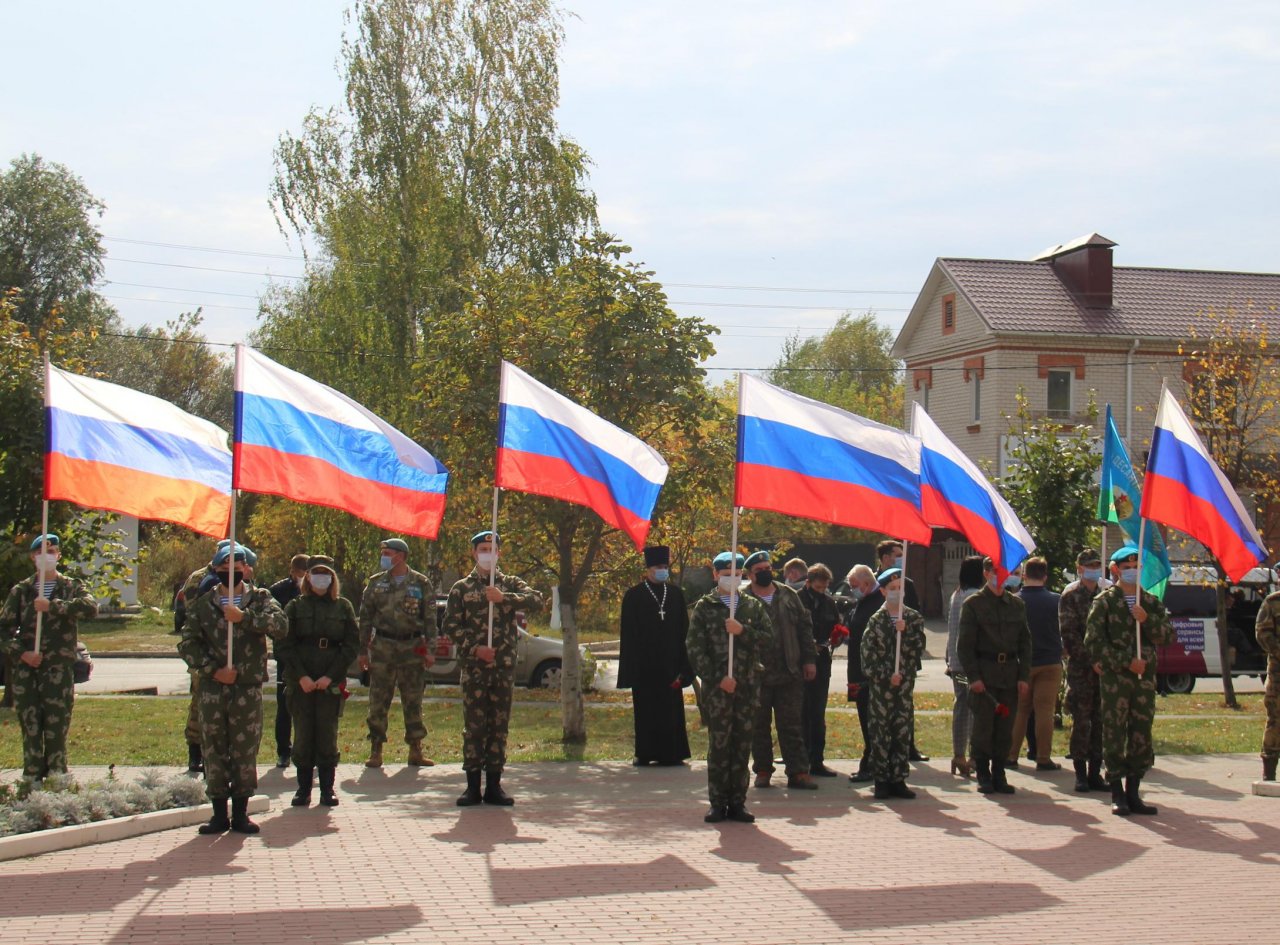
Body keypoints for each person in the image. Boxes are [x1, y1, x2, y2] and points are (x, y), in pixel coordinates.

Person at [178, 543, 285, 835]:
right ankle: (217, 814)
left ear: (246, 570)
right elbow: (187, 643)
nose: (230, 573)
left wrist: (245, 618)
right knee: (214, 747)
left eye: (236, 568)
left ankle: (240, 813)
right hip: (214, 688)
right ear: (215, 570)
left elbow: (281, 626)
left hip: (246, 688)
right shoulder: (204, 604)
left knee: (244, 749)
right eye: (224, 569)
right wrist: (213, 670)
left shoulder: (260, 599)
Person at [442, 530, 543, 807]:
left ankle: (494, 785)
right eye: (482, 549)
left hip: (503, 666)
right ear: (474, 553)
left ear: (499, 553)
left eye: (492, 548)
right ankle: (472, 786)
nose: (487, 553)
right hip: (475, 667)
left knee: (499, 726)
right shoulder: (462, 588)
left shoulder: (509, 584)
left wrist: (504, 598)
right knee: (474, 727)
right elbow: (450, 626)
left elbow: (537, 600)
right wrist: (475, 649)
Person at [0, 534, 97, 783]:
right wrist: (22, 653)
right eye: (42, 552)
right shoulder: (21, 591)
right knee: (31, 727)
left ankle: (57, 776)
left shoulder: (71, 587)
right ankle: (31, 777)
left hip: (58, 669)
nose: (47, 556)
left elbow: (90, 607)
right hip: (28, 670)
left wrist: (54, 606)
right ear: (33, 557)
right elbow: (3, 631)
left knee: (57, 727)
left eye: (52, 552)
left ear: (59, 556)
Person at [1084, 546, 1173, 816]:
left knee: (1140, 733)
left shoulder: (1150, 602)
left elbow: (1167, 636)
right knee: (1114, 732)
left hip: (1144, 681)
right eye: (1126, 567)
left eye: (1136, 566)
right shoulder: (1105, 602)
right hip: (1116, 680)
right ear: (1115, 570)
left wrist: (1146, 621)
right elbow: (1094, 643)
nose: (1132, 570)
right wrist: (1126, 661)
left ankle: (1134, 791)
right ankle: (1117, 792)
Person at [686, 551, 772, 823]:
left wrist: (742, 631)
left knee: (742, 744)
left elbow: (768, 640)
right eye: (726, 575)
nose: (732, 579)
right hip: (719, 689)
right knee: (720, 744)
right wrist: (717, 678)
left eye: (736, 574)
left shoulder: (752, 607)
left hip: (746, 685)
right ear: (715, 575)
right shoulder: (705, 606)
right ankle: (717, 802)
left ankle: (738, 802)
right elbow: (695, 649)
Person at [280, 555, 359, 808]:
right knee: (303, 735)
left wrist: (330, 677)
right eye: (316, 573)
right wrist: (301, 676)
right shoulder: (295, 606)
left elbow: (350, 646)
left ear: (332, 578)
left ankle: (327, 789)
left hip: (329, 681)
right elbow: (284, 645)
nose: (321, 578)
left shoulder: (343, 607)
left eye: (326, 574)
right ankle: (303, 789)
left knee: (327, 735)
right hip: (301, 682)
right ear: (307, 577)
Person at [175, 539, 258, 775]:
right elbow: (194, 611)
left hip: (236, 656)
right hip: (208, 652)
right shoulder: (201, 579)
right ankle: (196, 753)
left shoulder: (240, 577)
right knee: (199, 707)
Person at [358, 538, 437, 768]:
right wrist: (362, 651)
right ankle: (376, 749)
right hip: (383, 647)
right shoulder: (375, 583)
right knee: (378, 699)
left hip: (411, 648)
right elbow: (365, 619)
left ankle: (415, 749)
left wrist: (430, 650)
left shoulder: (421, 583)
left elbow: (430, 620)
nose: (384, 556)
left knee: (413, 699)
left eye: (388, 553)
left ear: (400, 556)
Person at [742, 550, 817, 791]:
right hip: (756, 675)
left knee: (791, 724)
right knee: (758, 725)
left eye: (768, 568)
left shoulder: (788, 595)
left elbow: (805, 628)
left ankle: (798, 772)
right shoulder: (742, 599)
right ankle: (763, 770)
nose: (765, 573)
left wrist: (809, 660)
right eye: (759, 570)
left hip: (789, 671)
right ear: (749, 574)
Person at [958, 556, 1031, 795]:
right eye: (999, 570)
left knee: (1005, 727)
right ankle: (983, 772)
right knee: (983, 727)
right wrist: (974, 677)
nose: (1005, 575)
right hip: (985, 674)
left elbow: (1025, 643)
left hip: (1009, 674)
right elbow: (965, 646)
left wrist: (1023, 676)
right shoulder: (973, 604)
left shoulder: (1016, 604)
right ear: (987, 573)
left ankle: (999, 771)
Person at [617, 545, 693, 767]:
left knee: (671, 712)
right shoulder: (634, 596)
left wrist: (685, 668)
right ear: (648, 569)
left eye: (665, 566)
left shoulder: (676, 594)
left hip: (671, 665)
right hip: (644, 667)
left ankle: (673, 753)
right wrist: (630, 671)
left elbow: (685, 632)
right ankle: (645, 752)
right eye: (659, 567)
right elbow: (628, 636)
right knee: (646, 711)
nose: (663, 570)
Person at [861, 567, 927, 799]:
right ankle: (881, 778)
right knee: (880, 732)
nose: (896, 592)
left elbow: (918, 649)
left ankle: (898, 778)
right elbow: (867, 659)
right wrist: (886, 674)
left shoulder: (912, 618)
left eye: (900, 589)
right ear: (883, 592)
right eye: (892, 589)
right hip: (882, 690)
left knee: (901, 731)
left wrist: (906, 632)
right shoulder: (876, 621)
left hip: (904, 687)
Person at [1059, 548, 1109, 792]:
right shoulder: (1070, 596)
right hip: (1081, 669)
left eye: (1097, 565)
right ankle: (1080, 772)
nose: (1093, 569)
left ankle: (1095, 772)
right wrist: (1091, 661)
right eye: (1089, 565)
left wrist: (1105, 659)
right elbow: (1069, 634)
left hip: (1104, 669)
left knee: (1100, 721)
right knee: (1082, 721)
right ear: (1079, 568)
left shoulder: (1106, 595)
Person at [1009, 558, 1064, 771]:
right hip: (1050, 661)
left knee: (1020, 710)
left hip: (1023, 663)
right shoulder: (1056, 600)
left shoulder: (1015, 600)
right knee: (1045, 711)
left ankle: (1011, 755)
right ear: (1045, 576)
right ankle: (1043, 757)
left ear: (1024, 576)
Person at [876, 539, 928, 762]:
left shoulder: (907, 583)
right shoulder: (873, 580)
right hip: (880, 657)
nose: (901, 557)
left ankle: (909, 747)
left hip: (904, 655)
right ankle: (879, 752)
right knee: (880, 709)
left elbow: (916, 614)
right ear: (886, 557)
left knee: (905, 705)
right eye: (897, 554)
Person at [798, 563, 845, 777]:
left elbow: (836, 626)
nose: (821, 591)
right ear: (808, 583)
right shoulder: (797, 599)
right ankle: (799, 760)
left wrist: (836, 636)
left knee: (817, 713)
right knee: (800, 712)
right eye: (817, 587)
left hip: (822, 662)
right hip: (798, 663)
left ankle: (817, 760)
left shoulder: (829, 603)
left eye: (824, 588)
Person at [268, 553, 310, 769]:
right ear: (293, 572)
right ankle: (283, 751)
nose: (304, 576)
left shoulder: (316, 590)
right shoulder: (278, 591)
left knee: (309, 708)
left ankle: (307, 750)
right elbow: (272, 624)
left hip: (310, 657)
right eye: (301, 572)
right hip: (286, 657)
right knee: (284, 706)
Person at [945, 555, 985, 777]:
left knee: (961, 705)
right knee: (973, 709)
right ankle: (972, 756)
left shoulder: (957, 594)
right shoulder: (974, 596)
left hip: (956, 663)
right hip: (970, 663)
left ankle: (958, 754)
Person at [844, 564, 881, 782]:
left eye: (855, 586)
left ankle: (871, 763)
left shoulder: (878, 603)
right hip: (858, 670)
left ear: (866, 584)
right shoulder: (863, 602)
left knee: (871, 718)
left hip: (870, 674)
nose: (852, 590)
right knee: (864, 716)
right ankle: (870, 761)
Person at [1255, 587, 1280, 781]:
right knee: (1275, 719)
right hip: (1278, 673)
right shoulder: (1272, 602)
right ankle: (1269, 767)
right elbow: (1262, 633)